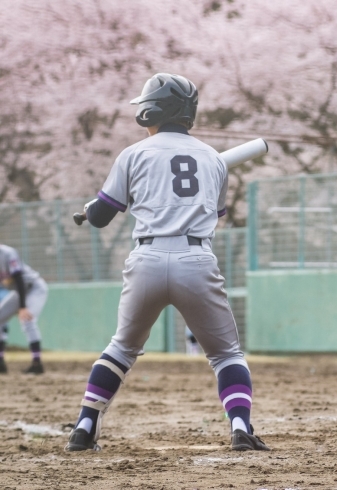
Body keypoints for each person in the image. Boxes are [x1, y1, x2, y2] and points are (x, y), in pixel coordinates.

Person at [64, 73, 269, 452]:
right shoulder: (213, 158)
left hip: (147, 257)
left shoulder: (133, 154)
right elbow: (216, 212)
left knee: (122, 349)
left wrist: (92, 210)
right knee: (226, 354)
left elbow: (101, 218)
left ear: (150, 110)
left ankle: (85, 426)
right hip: (196, 257)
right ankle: (241, 427)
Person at [0, 245, 49, 374]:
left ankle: (37, 364)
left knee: (28, 320)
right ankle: (0, 364)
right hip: (18, 292)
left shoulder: (7, 253)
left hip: (34, 288)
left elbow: (19, 278)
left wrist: (22, 307)